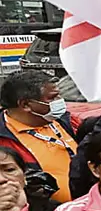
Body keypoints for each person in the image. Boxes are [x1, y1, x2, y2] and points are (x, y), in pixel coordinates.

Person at [0, 71, 77, 203]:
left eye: (59, 96)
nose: (60, 102)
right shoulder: (4, 139)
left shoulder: (65, 121)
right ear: (26, 105)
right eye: (52, 98)